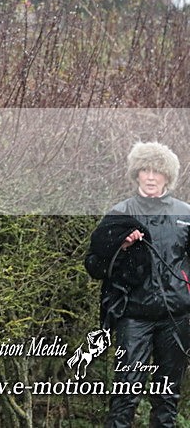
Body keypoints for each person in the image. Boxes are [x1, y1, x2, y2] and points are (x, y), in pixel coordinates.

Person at [85, 141, 190, 427]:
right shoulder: (119, 214)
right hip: (134, 317)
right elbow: (93, 265)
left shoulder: (185, 214)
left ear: (168, 176)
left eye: (158, 171)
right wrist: (121, 246)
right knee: (125, 394)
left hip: (176, 318)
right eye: (146, 170)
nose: (152, 176)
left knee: (168, 397)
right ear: (137, 174)